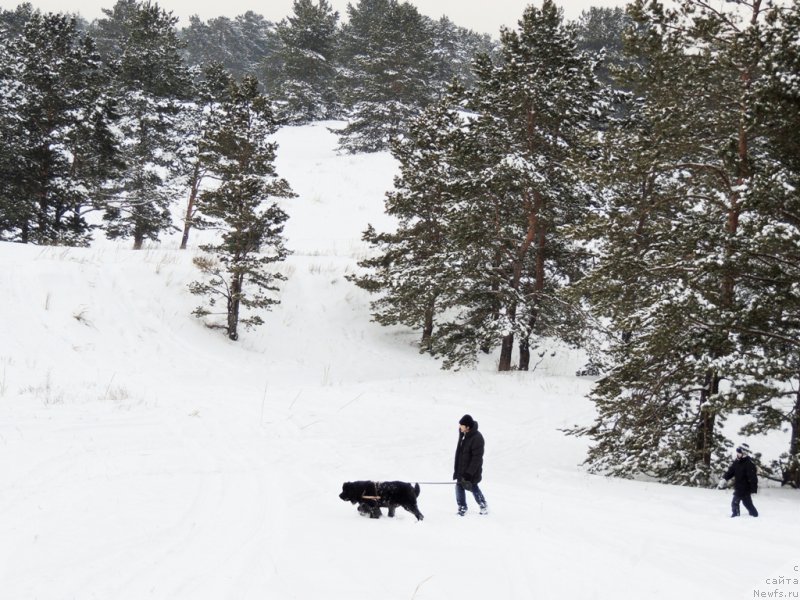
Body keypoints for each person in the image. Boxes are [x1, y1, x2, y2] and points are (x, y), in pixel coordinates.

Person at [453, 414, 488, 516]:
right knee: (459, 486)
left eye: (461, 425)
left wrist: (469, 473)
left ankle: (483, 506)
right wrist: (460, 436)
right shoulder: (465, 436)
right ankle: (462, 507)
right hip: (461, 468)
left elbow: (477, 459)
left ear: (467, 427)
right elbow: (460, 452)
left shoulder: (477, 438)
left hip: (471, 471)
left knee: (473, 487)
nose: (460, 427)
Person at [719, 443, 759, 518]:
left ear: (744, 453)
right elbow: (731, 471)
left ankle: (735, 516)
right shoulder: (737, 461)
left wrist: (754, 490)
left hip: (745, 488)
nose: (738, 454)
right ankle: (754, 514)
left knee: (735, 502)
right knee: (747, 503)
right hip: (739, 486)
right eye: (737, 452)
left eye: (739, 453)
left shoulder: (749, 463)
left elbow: (753, 478)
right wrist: (725, 479)